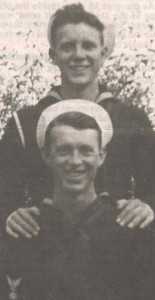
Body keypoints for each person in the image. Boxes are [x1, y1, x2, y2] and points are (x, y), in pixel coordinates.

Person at [0, 3, 154, 241]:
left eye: (88, 46)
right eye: (68, 47)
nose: (79, 55)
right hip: (46, 247)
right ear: (53, 55)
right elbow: (5, 194)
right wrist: (11, 215)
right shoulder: (25, 122)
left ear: (103, 53)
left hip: (118, 249)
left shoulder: (131, 119)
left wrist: (147, 206)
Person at [2, 101, 155, 300]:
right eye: (64, 150)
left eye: (85, 150)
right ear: (46, 155)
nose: (75, 161)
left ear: (101, 156)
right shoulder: (25, 232)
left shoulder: (134, 233)